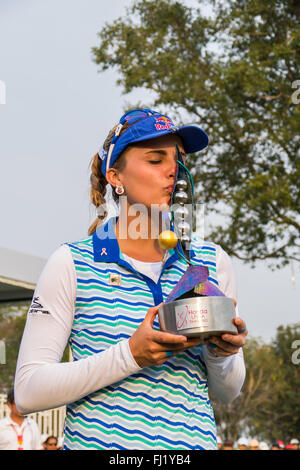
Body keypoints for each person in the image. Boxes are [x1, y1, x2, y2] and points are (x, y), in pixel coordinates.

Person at [14, 108, 247, 450]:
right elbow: (28, 391)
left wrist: (220, 353)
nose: (175, 172)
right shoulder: (72, 263)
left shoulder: (212, 261)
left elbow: (227, 392)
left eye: (179, 161)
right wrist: (131, 355)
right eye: (155, 160)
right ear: (115, 177)